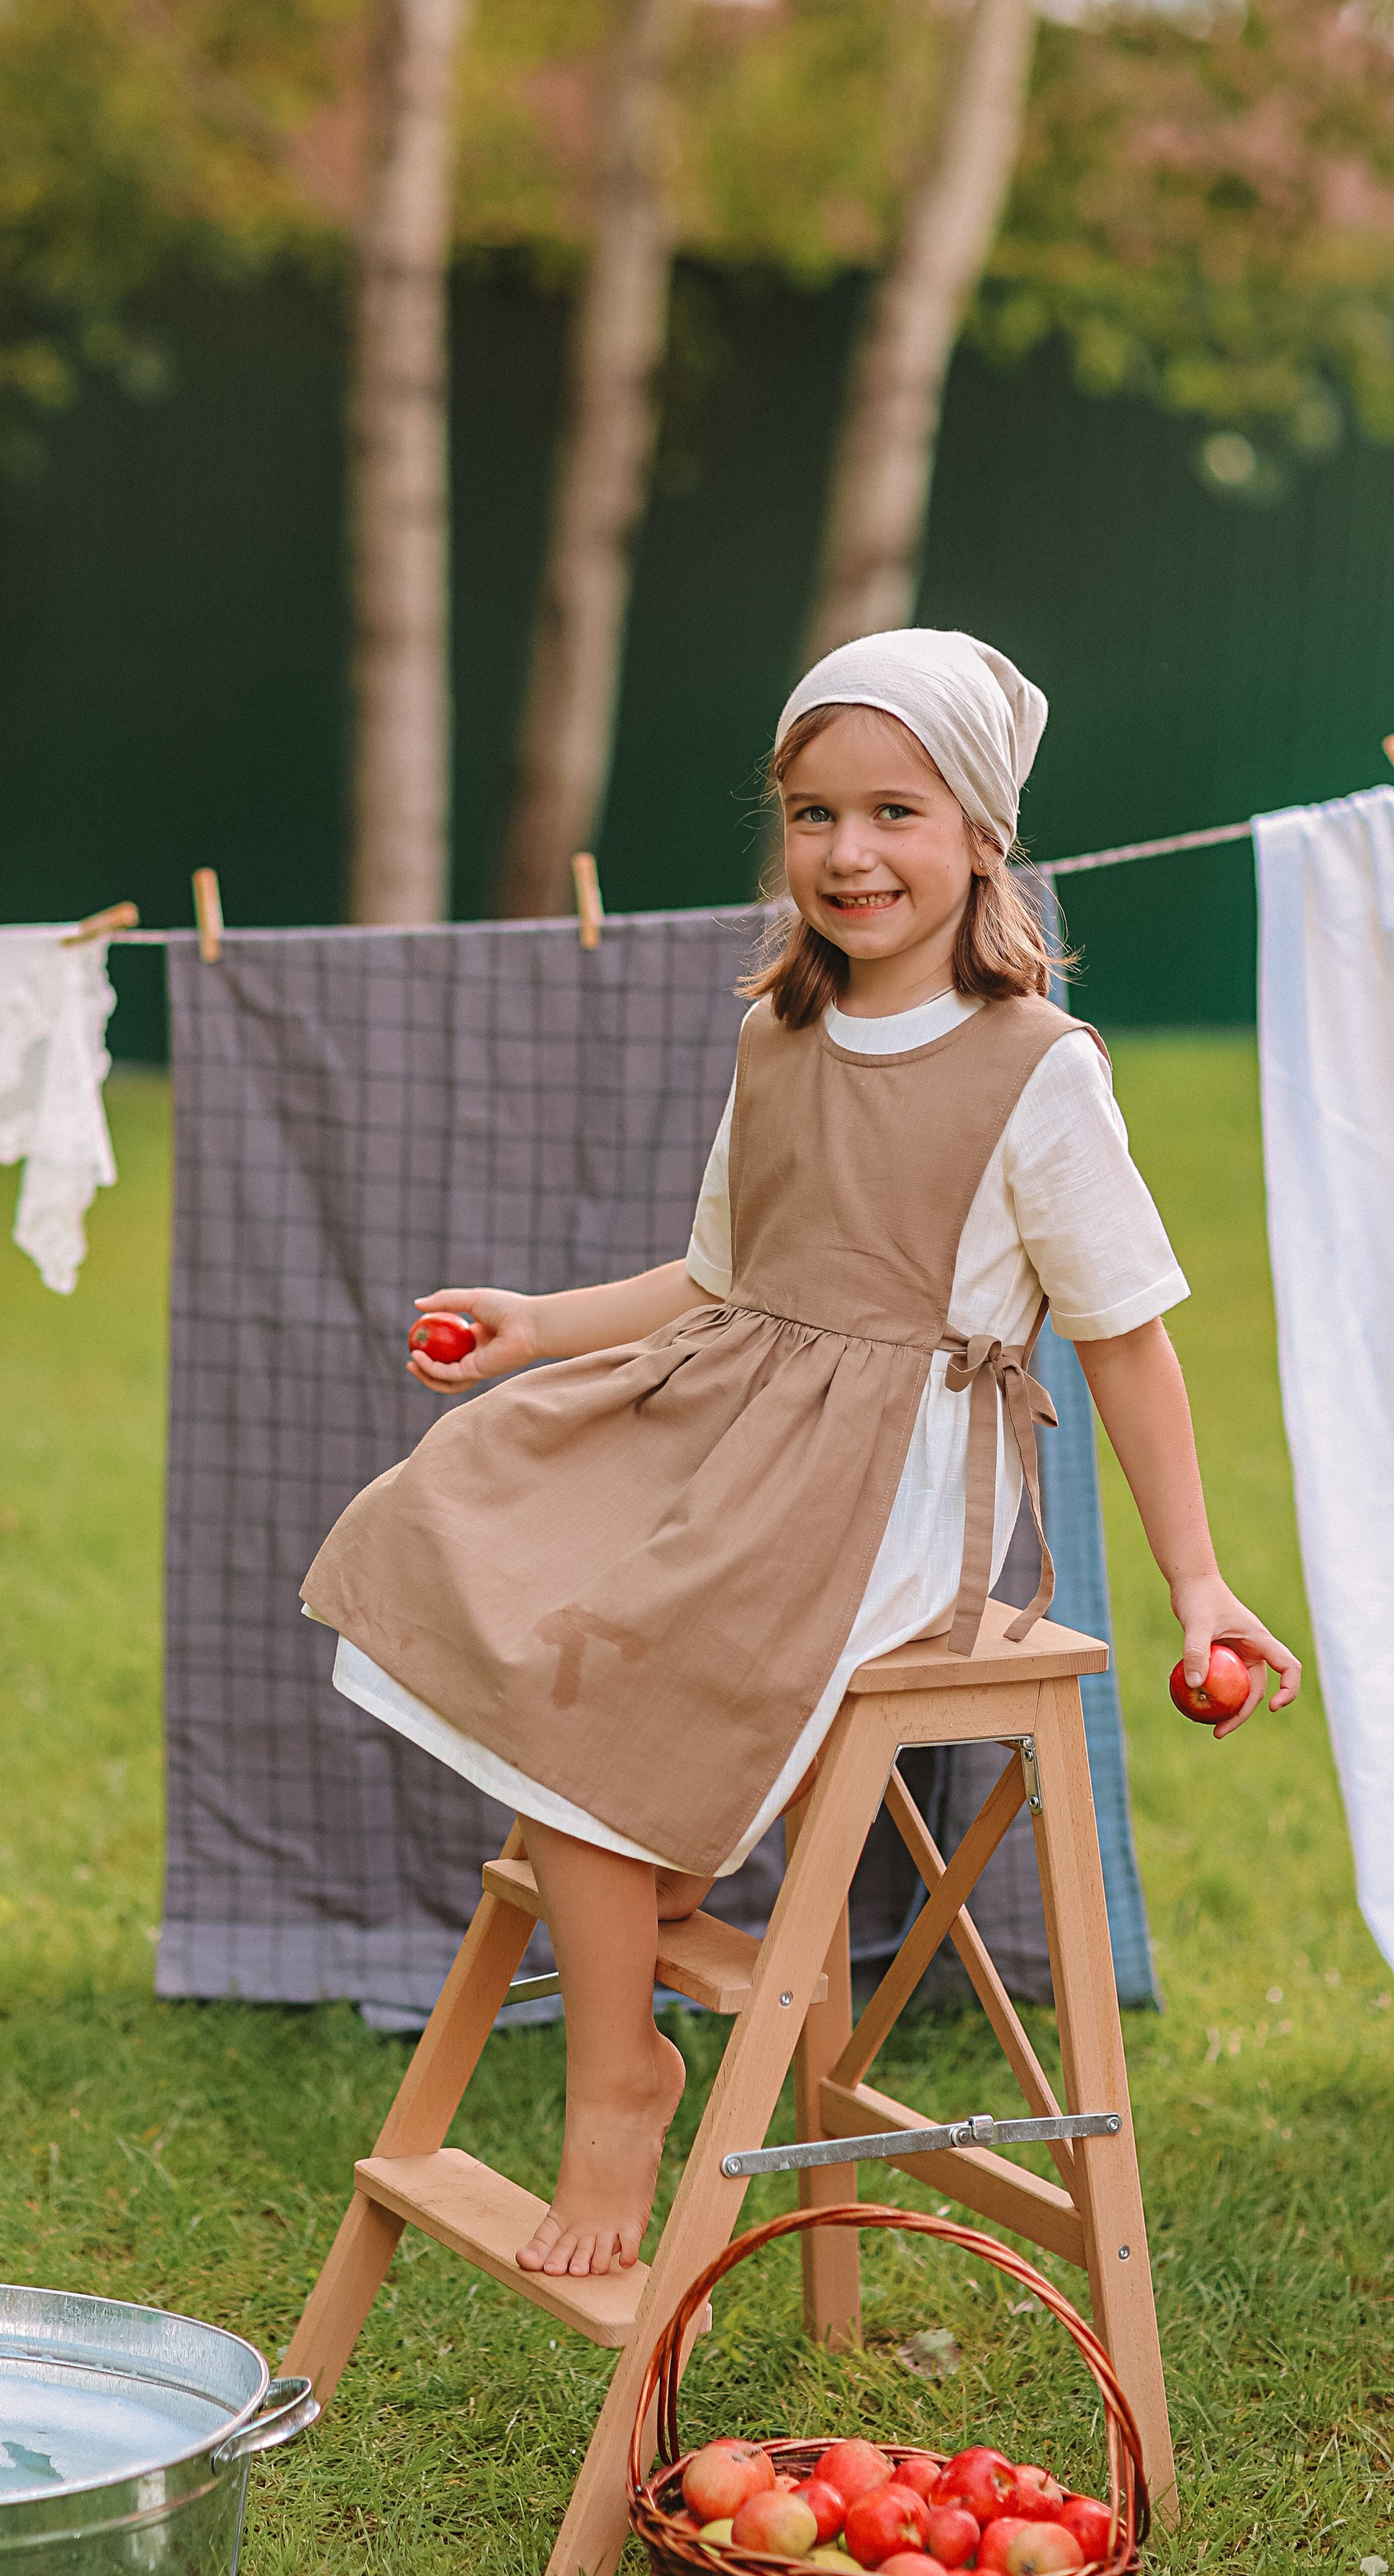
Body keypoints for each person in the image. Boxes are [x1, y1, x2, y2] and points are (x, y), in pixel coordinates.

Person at [302, 627, 1299, 2283]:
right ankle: (653, 1885)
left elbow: (1122, 1333)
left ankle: (616, 2073)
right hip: (726, 1406)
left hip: (884, 1482)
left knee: (611, 1653)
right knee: (466, 1522)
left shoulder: (1033, 1075)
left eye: (893, 812)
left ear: (979, 833)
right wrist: (539, 1330)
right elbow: (719, 1275)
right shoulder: (781, 1031)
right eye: (813, 813)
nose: (847, 853)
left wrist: (1195, 1579)